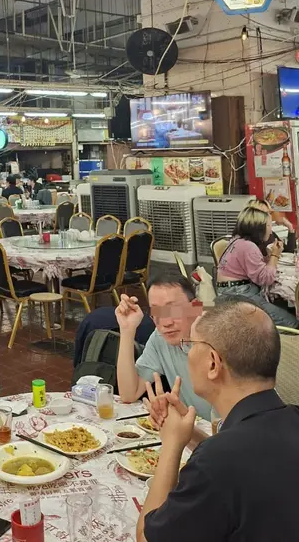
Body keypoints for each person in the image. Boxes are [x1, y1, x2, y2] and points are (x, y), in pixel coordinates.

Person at [137, 298, 298, 542]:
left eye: (191, 344)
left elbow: (146, 538)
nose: (187, 353)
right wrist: (188, 433)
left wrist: (171, 444)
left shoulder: (215, 461)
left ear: (213, 363)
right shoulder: (292, 417)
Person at [115, 272, 212, 420]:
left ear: (196, 307)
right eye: (158, 312)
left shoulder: (218, 339)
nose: (166, 323)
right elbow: (129, 394)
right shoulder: (159, 338)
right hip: (193, 428)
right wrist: (127, 330)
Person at [216, 204, 299, 328]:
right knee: (292, 323)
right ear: (259, 228)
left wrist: (268, 258)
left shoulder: (237, 240)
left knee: (283, 307)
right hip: (237, 294)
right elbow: (265, 279)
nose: (271, 230)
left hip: (230, 290)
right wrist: (275, 255)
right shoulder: (248, 246)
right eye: (269, 226)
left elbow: (252, 267)